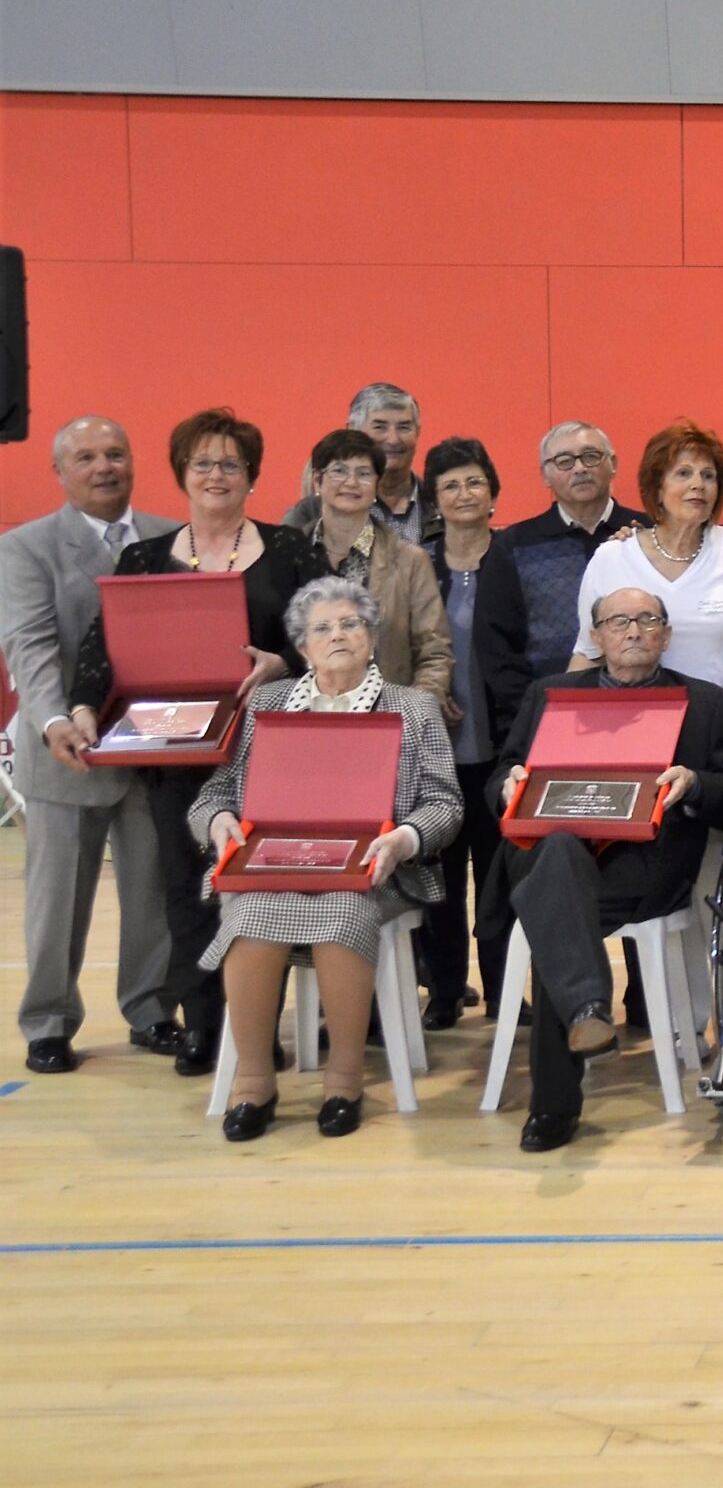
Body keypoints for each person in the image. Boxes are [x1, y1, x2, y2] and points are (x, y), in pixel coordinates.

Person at [65, 408, 330, 1077]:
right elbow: (103, 652)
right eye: (203, 463)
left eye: (230, 465)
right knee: (184, 894)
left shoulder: (293, 551)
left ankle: (256, 1035)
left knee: (253, 892)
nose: (216, 475)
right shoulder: (144, 558)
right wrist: (81, 709)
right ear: (182, 473)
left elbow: (335, 635)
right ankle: (204, 1029)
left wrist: (282, 663)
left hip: (270, 757)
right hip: (175, 758)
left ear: (252, 477)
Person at [191, 578, 462, 1140]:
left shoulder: (413, 707)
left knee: (342, 912)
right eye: (323, 628)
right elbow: (216, 793)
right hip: (270, 867)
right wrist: (217, 823)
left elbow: (445, 802)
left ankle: (343, 1080)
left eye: (350, 624)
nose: (338, 635)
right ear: (302, 646)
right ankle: (254, 1083)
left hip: (373, 870)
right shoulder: (265, 703)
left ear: (370, 637)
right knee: (248, 918)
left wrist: (405, 838)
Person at [500, 586, 723, 1154]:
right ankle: (586, 1008)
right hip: (552, 858)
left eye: (646, 620)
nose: (632, 631)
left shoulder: (704, 703)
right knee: (558, 854)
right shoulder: (551, 694)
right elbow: (500, 780)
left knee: (556, 910)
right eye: (618, 622)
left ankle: (556, 1099)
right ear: (596, 636)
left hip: (644, 868)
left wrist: (693, 785)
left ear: (665, 633)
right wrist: (509, 784)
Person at [0, 417, 178, 1072]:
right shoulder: (24, 547)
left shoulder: (169, 537)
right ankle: (48, 1021)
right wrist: (53, 722)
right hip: (66, 754)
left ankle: (151, 1010)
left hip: (155, 752)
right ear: (59, 471)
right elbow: (31, 644)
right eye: (86, 457)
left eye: (115, 454)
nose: (104, 466)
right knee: (57, 900)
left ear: (133, 461)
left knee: (152, 891)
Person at [571, 422, 723, 711]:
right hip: (628, 723)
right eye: (683, 473)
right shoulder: (612, 557)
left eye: (708, 475)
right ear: (657, 488)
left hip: (720, 722)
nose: (698, 485)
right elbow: (588, 654)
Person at [474, 421, 648, 745]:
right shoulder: (513, 545)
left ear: (613, 464)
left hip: (648, 712)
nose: (579, 468)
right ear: (545, 475)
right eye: (564, 462)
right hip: (546, 721)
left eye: (591, 456)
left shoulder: (648, 533)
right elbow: (496, 648)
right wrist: (535, 710)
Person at [420, 438, 509, 1026]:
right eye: (450, 485)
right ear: (435, 499)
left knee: (500, 878)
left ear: (493, 492)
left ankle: (506, 993)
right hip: (436, 749)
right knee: (441, 882)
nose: (463, 494)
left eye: (474, 482)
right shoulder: (416, 562)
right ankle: (447, 992)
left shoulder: (514, 556)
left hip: (502, 744)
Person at [299, 429, 452, 703]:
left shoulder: (410, 561)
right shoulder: (291, 552)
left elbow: (434, 653)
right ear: (317, 481)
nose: (351, 482)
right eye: (339, 471)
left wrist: (413, 712)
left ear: (376, 486)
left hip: (388, 717)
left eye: (364, 473)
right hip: (304, 714)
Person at [283, 383, 440, 544]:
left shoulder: (441, 505)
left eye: (404, 427)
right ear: (352, 431)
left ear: (418, 432)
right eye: (380, 427)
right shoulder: (309, 513)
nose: (393, 439)